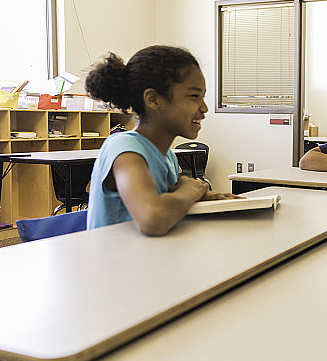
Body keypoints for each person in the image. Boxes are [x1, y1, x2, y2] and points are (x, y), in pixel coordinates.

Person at [85, 45, 238, 235]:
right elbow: (153, 217)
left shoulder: (168, 157)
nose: (204, 108)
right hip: (114, 262)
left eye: (203, 97)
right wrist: (190, 190)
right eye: (194, 96)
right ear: (154, 99)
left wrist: (204, 197)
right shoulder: (125, 148)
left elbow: (165, 201)